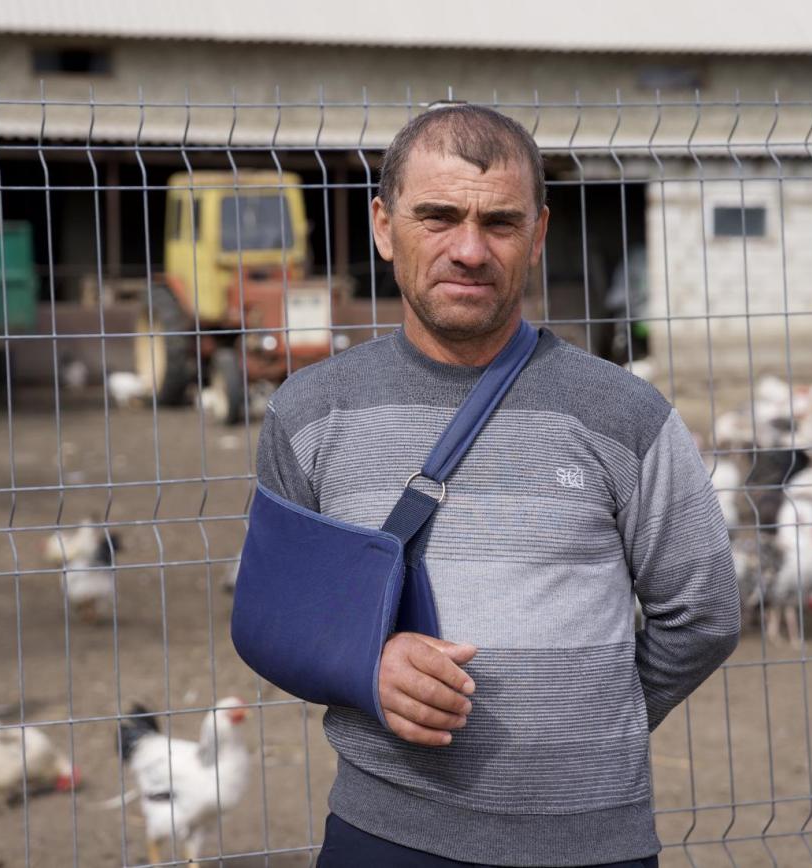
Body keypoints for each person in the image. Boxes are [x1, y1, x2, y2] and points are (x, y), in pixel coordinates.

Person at [254, 103, 740, 868]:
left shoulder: (626, 415)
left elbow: (703, 615)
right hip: (385, 836)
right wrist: (366, 666)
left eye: (501, 223)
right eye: (439, 217)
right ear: (383, 226)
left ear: (539, 235)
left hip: (588, 845)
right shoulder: (310, 414)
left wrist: (587, 727)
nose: (470, 249)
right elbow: (276, 614)